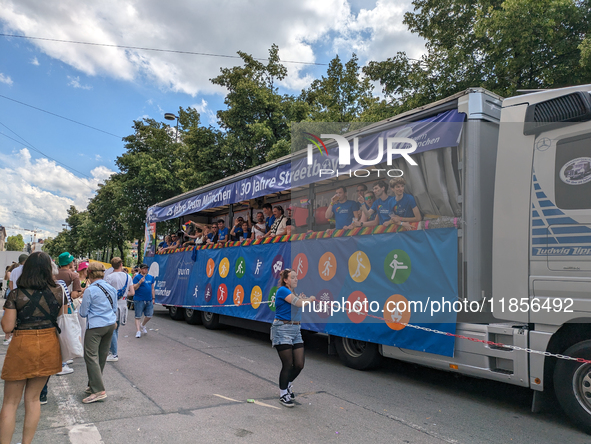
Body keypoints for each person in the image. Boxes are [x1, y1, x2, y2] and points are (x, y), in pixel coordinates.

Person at [0, 252, 63, 444]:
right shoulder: (58, 291)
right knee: (34, 399)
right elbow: (62, 316)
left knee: (10, 403)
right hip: (48, 344)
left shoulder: (16, 294)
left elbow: (8, 327)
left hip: (22, 345)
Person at [271, 269, 315, 407]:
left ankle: (288, 384)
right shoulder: (283, 290)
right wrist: (310, 299)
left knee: (299, 364)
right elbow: (299, 304)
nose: (296, 279)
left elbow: (297, 303)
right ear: (286, 280)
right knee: (287, 364)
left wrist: (301, 298)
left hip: (296, 330)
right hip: (282, 329)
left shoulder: (293, 293)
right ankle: (283, 393)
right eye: (293, 277)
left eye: (297, 277)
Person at [79, 262, 117, 403]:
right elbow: (114, 308)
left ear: (89, 273)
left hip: (95, 326)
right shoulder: (111, 288)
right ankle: (93, 385)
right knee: (101, 356)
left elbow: (83, 313)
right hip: (110, 325)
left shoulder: (90, 290)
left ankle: (99, 391)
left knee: (91, 357)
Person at [105, 257, 134, 362]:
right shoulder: (128, 277)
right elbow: (132, 293)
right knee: (116, 329)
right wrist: (124, 295)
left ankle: (114, 353)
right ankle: (112, 351)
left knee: (112, 328)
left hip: (112, 305)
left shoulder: (109, 277)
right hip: (123, 305)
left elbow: (106, 292)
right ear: (121, 264)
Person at [132, 264, 155, 338]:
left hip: (149, 299)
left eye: (146, 268)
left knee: (149, 315)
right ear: (140, 269)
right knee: (138, 316)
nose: (146, 270)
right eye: (144, 269)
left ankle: (143, 325)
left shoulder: (150, 277)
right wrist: (140, 282)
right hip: (139, 299)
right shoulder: (137, 277)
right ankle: (138, 331)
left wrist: (153, 298)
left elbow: (152, 288)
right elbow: (134, 288)